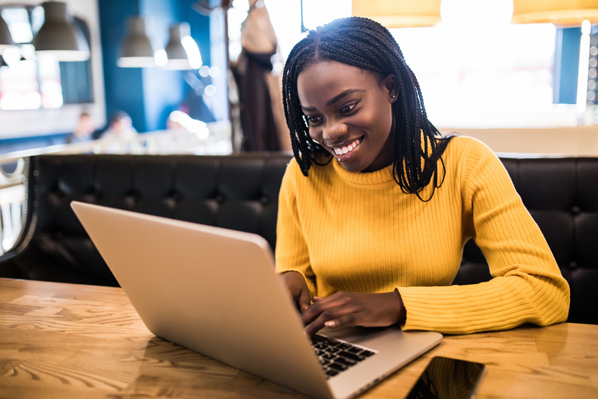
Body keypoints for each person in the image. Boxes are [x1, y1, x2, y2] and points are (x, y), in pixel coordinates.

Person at [276, 17, 570, 336]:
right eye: (315, 118)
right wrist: (289, 281)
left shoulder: (464, 163)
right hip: (337, 353)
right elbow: (296, 278)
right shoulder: (303, 175)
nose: (330, 132)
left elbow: (544, 291)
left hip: (431, 357)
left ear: (391, 88)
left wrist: (397, 305)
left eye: (347, 107)